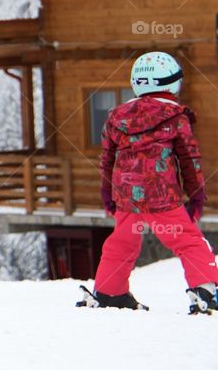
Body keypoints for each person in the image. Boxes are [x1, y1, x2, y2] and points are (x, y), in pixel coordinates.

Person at [79, 52, 218, 313]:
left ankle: (110, 292)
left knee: (122, 243)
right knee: (189, 241)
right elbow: (189, 160)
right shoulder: (176, 116)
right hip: (162, 196)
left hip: (126, 197)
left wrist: (107, 193)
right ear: (170, 84)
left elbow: (107, 159)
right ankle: (206, 290)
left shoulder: (116, 116)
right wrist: (196, 195)